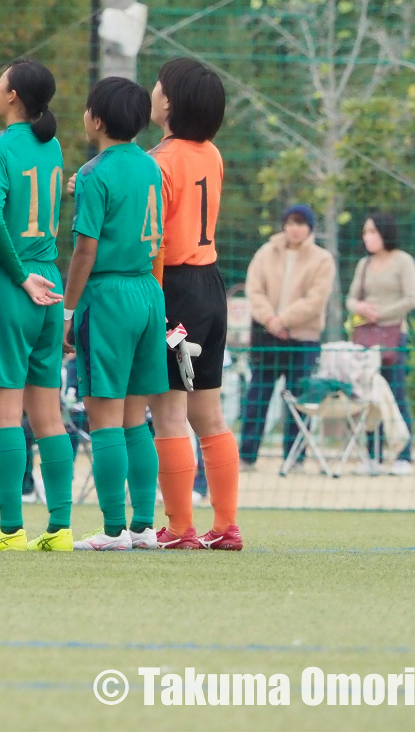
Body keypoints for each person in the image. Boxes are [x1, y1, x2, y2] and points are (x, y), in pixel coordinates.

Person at [61, 76, 167, 551]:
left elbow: (85, 249)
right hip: (148, 291)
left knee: (104, 417)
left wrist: (67, 309)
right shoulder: (150, 167)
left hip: (107, 296)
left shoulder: (92, 173)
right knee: (134, 418)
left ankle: (111, 531)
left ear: (96, 120)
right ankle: (144, 526)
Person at [0, 61, 71, 552]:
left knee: (3, 416)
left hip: (11, 286)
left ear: (12, 96)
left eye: (0, 79)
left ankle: (10, 529)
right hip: (50, 282)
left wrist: (16, 276)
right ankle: (61, 528)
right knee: (48, 416)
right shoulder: (51, 146)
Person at [146, 58, 242, 551]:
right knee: (210, 414)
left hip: (174, 286)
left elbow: (156, 242)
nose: (153, 91)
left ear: (171, 104)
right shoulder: (213, 154)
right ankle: (226, 525)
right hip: (210, 284)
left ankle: (179, 528)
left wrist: (154, 302)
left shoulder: (159, 160)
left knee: (167, 413)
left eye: (159, 86)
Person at [239, 204, 335, 469]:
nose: (295, 228)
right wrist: (270, 320)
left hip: (302, 340)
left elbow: (316, 300)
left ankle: (295, 458)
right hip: (266, 339)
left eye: (301, 223)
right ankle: (246, 456)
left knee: (299, 400)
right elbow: (254, 290)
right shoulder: (265, 253)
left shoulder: (322, 259)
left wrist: (283, 320)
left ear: (310, 227)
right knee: (257, 398)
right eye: (290, 222)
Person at [346, 211, 415, 474]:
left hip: (394, 335)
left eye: (372, 231)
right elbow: (351, 299)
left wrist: (381, 313)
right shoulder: (363, 264)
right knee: (369, 396)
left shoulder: (403, 261)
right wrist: (361, 308)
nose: (368, 237)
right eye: (365, 232)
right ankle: (373, 457)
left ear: (385, 233)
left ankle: (403, 456)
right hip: (366, 338)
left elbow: (412, 298)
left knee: (395, 392)